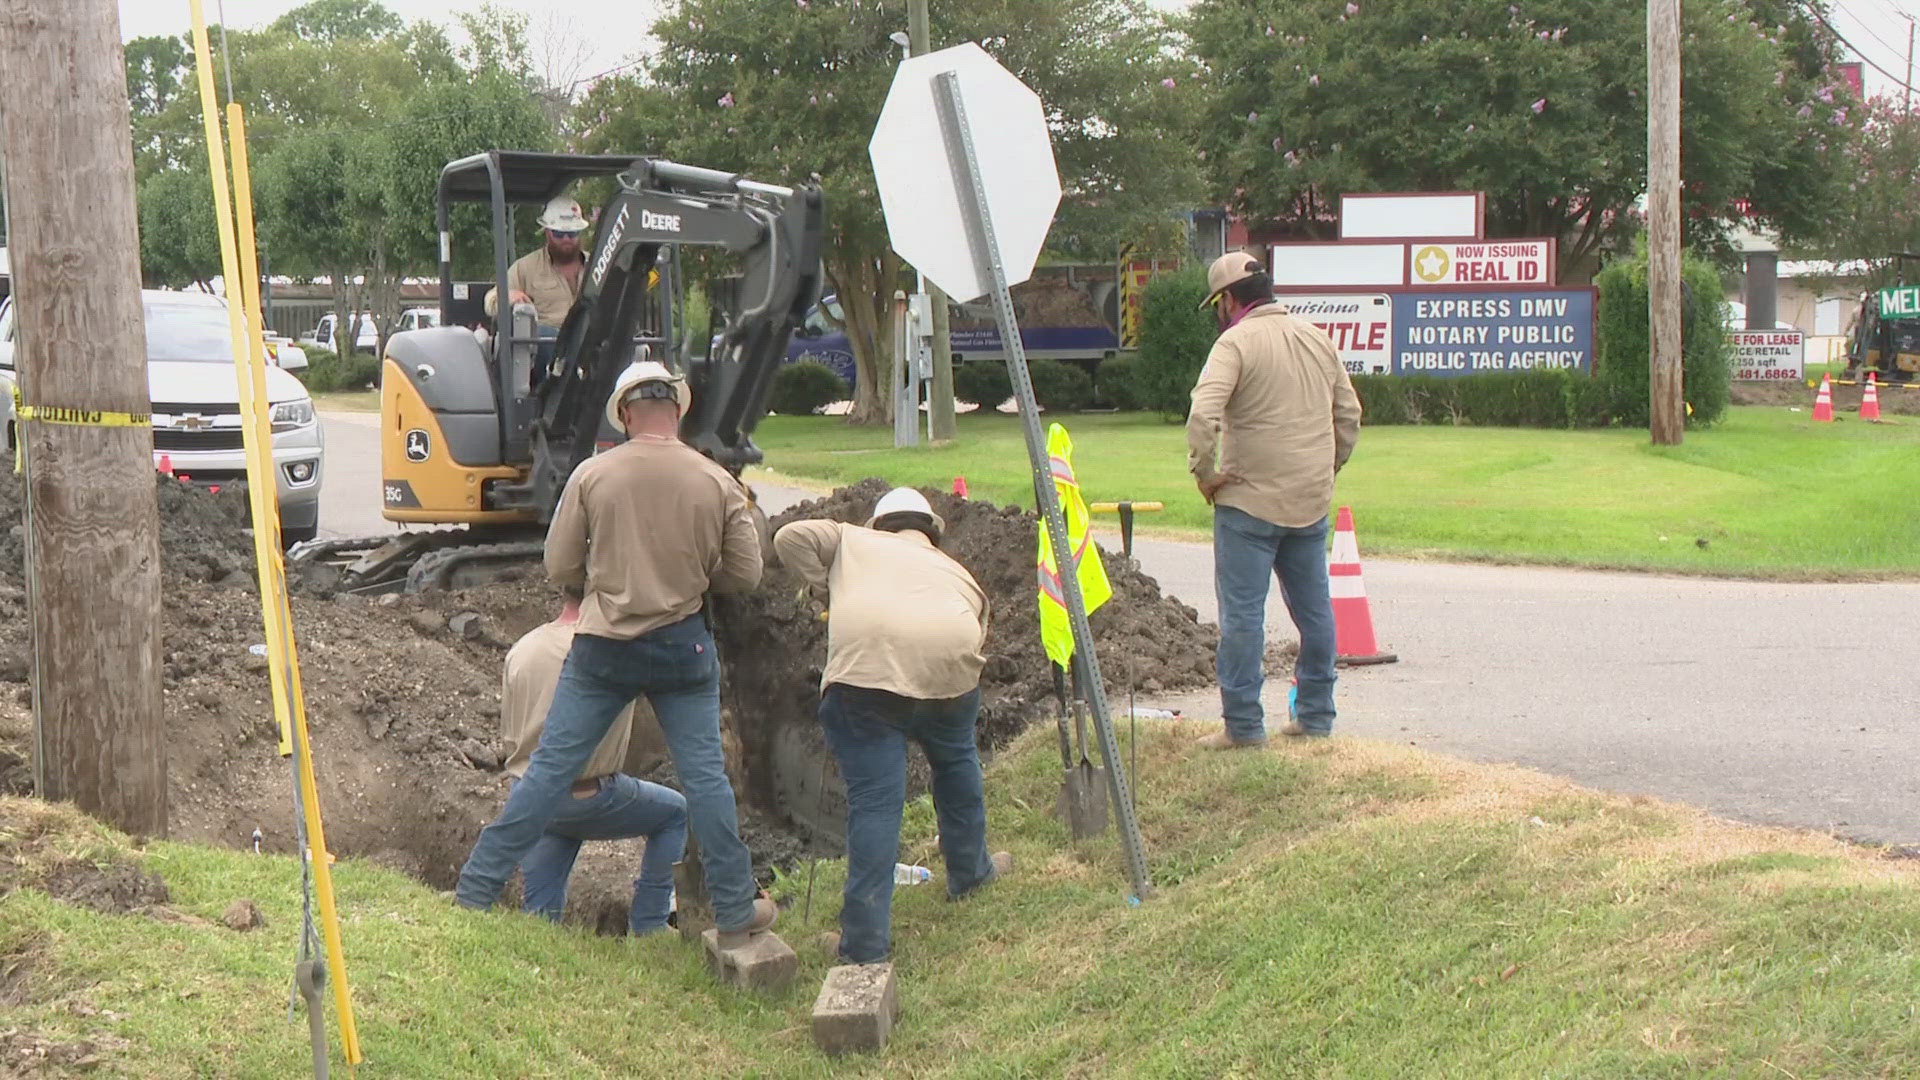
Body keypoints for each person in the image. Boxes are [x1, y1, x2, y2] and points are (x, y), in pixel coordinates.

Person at [455, 360, 778, 947]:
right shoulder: (717, 482)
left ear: (625, 414)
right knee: (706, 781)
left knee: (549, 771)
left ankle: (475, 890)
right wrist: (692, 579)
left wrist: (606, 579)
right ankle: (734, 908)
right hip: (684, 645)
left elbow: (559, 566)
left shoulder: (592, 475)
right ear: (678, 411)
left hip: (604, 646)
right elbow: (746, 574)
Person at [773, 487, 1010, 966]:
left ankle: (863, 945)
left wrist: (827, 586)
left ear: (878, 524)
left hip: (865, 680)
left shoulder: (853, 541)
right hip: (950, 669)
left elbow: (789, 537)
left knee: (877, 803)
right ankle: (970, 874)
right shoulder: (956, 570)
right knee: (957, 764)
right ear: (932, 533)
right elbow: (979, 626)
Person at [1187, 250, 1362, 747]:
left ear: (1226, 300)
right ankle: (1315, 718)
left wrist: (1205, 474)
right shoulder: (1317, 338)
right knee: (1315, 612)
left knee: (1243, 617)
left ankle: (1243, 727)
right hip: (1309, 502)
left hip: (1247, 504)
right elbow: (1348, 418)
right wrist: (1325, 471)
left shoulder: (1234, 344)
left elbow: (1203, 416)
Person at [501, 594, 687, 935]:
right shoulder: (612, 650)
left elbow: (509, 739)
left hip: (530, 794)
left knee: (540, 917)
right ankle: (650, 928)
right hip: (587, 795)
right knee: (675, 813)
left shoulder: (522, 649)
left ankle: (537, 952)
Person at [484, 193, 591, 375]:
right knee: (544, 336)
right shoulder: (526, 268)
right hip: (548, 351)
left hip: (591, 342)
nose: (566, 239)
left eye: (572, 233)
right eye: (559, 233)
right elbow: (491, 301)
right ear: (547, 232)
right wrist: (509, 296)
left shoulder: (598, 266)